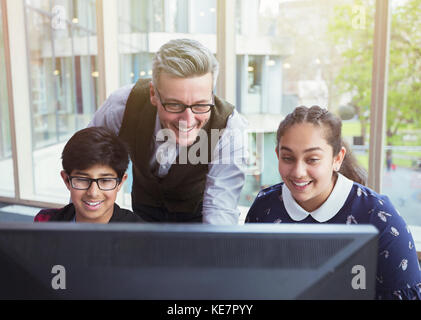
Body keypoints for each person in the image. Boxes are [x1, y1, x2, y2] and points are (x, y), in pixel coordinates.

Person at [246, 105, 421, 300]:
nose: (298, 172)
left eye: (312, 159)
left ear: (337, 159)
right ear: (278, 155)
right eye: (288, 158)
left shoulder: (379, 217)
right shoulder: (264, 209)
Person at [89, 38, 247, 224]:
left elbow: (220, 210)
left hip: (200, 223)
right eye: (174, 105)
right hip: (141, 218)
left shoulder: (229, 128)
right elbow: (87, 168)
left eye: (200, 105)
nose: (187, 120)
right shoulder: (122, 107)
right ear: (153, 94)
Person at [34, 127, 142, 223]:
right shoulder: (45, 222)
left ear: (120, 182)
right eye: (82, 180)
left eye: (105, 181)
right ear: (66, 180)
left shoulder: (141, 236)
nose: (93, 193)